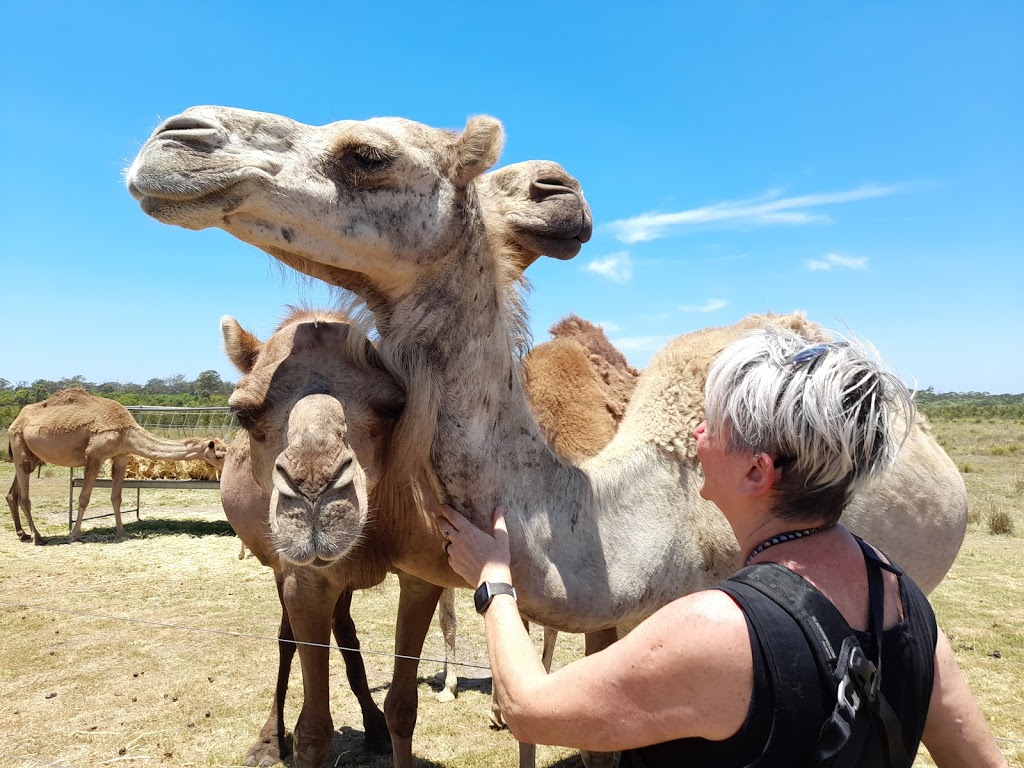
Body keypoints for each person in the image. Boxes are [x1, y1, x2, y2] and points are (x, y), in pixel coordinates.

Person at [436, 325, 1006, 767]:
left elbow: (528, 711)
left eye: (711, 423)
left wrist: (495, 582)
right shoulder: (903, 598)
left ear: (758, 473)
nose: (695, 435)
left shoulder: (716, 627)